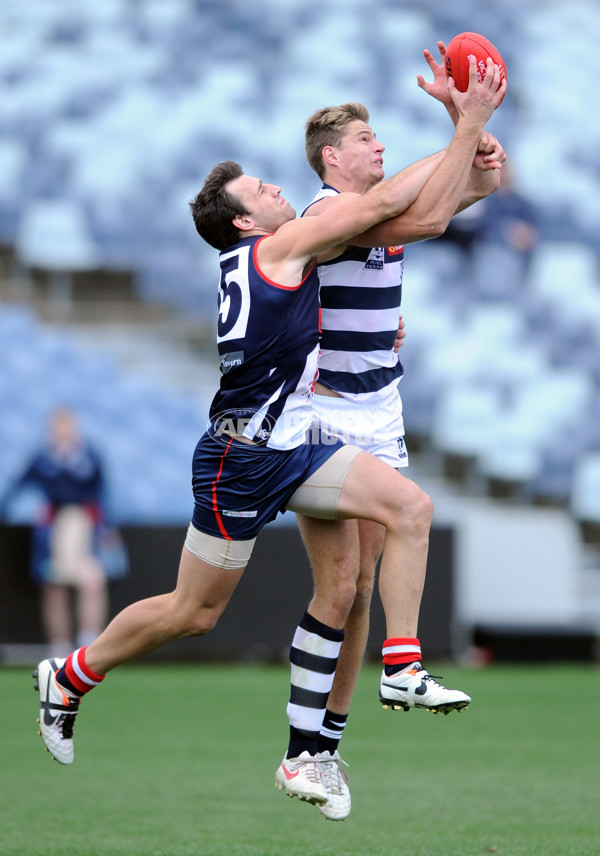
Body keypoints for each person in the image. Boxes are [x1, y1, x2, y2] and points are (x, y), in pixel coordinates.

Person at [33, 59, 504, 819]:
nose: (277, 189)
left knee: (408, 512)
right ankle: (74, 675)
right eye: (262, 191)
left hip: (295, 445)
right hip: (239, 460)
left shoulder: (280, 251)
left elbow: (404, 222)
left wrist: (469, 159)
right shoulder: (281, 247)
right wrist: (467, 125)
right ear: (248, 222)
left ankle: (395, 673)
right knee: (194, 612)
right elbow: (394, 205)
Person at [292, 45, 507, 820]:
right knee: (345, 582)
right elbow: (433, 213)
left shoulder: (375, 205)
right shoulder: (328, 215)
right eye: (365, 140)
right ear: (331, 159)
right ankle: (375, 689)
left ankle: (329, 744)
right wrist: (462, 128)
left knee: (356, 594)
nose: (378, 146)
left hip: (381, 405)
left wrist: (473, 141)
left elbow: (470, 189)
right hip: (328, 414)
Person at [1, 408, 120, 657]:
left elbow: (103, 495)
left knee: (91, 580)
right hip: (52, 531)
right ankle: (60, 645)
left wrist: (107, 528)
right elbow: (18, 485)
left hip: (85, 528)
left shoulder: (89, 458)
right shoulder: (43, 460)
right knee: (55, 584)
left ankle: (89, 641)